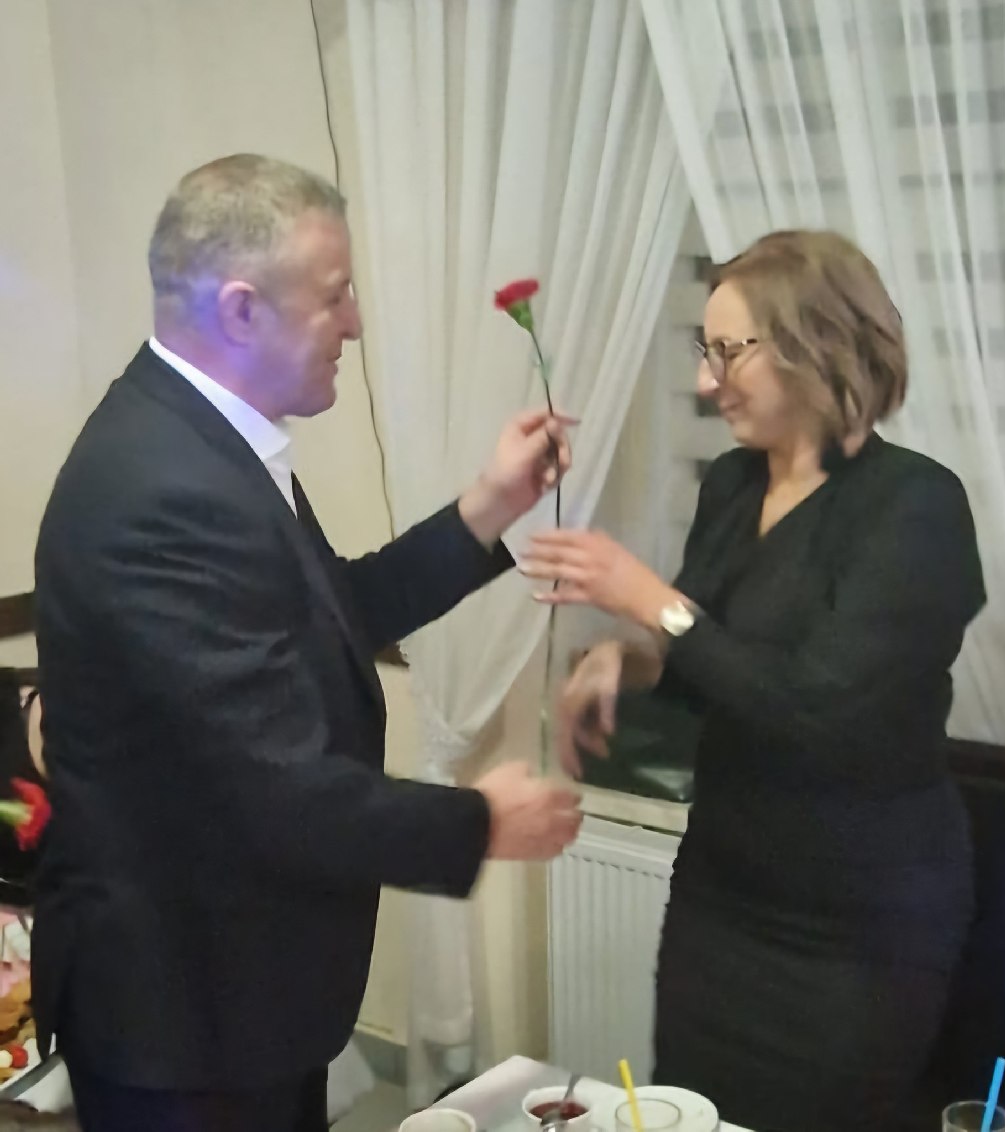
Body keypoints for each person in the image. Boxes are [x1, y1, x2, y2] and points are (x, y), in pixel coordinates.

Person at [32, 154, 582, 1132]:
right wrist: (477, 822)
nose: (355, 323)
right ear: (241, 310)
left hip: (241, 999)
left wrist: (486, 508)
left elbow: (329, 618)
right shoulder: (160, 487)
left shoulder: (204, 446)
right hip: (182, 1020)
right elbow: (270, 790)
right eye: (336, 296)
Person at [522, 229, 985, 1132]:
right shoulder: (734, 483)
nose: (708, 382)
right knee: (688, 1111)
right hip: (723, 896)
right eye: (707, 352)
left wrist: (648, 602)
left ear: (820, 344)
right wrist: (629, 659)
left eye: (730, 352)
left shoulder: (916, 506)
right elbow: (715, 658)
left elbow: (821, 710)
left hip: (859, 927)